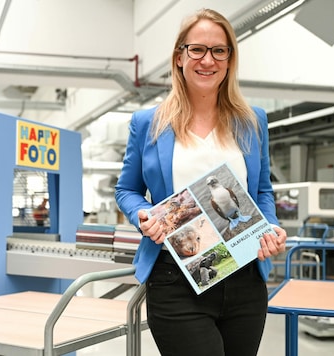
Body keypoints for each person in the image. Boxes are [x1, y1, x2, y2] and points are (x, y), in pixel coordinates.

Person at [115, 8, 287, 356]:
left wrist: (270, 227)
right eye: (197, 49)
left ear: (229, 59)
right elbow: (127, 191)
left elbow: (262, 191)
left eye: (219, 50)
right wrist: (143, 215)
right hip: (176, 279)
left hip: (244, 276)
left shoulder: (252, 121)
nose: (207, 60)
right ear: (179, 57)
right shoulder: (149, 123)